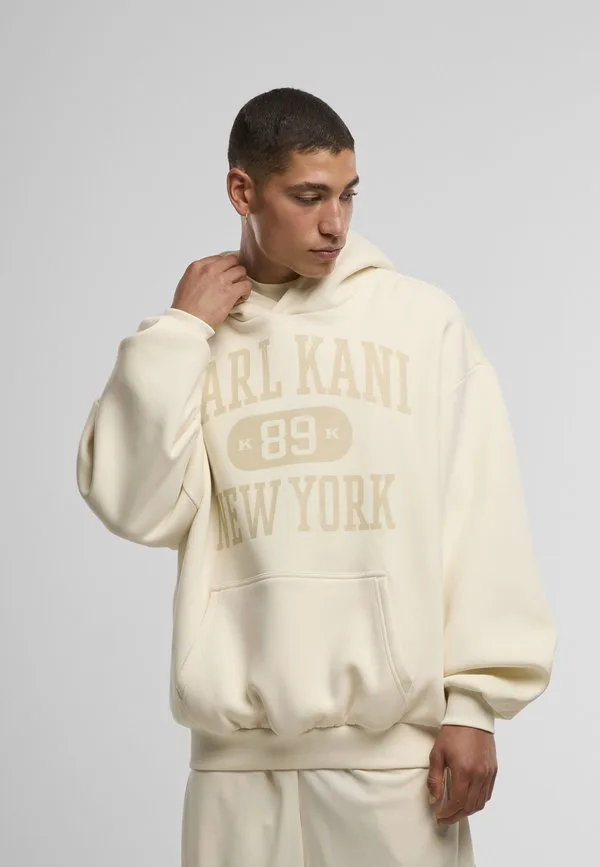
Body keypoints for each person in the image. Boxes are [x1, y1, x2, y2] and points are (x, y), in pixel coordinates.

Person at [76, 87, 557, 867]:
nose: (336, 223)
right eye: (308, 197)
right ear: (243, 191)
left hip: (395, 765)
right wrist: (179, 333)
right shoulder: (194, 342)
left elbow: (481, 510)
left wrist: (474, 703)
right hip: (234, 771)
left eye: (347, 194)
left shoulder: (419, 321)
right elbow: (135, 507)